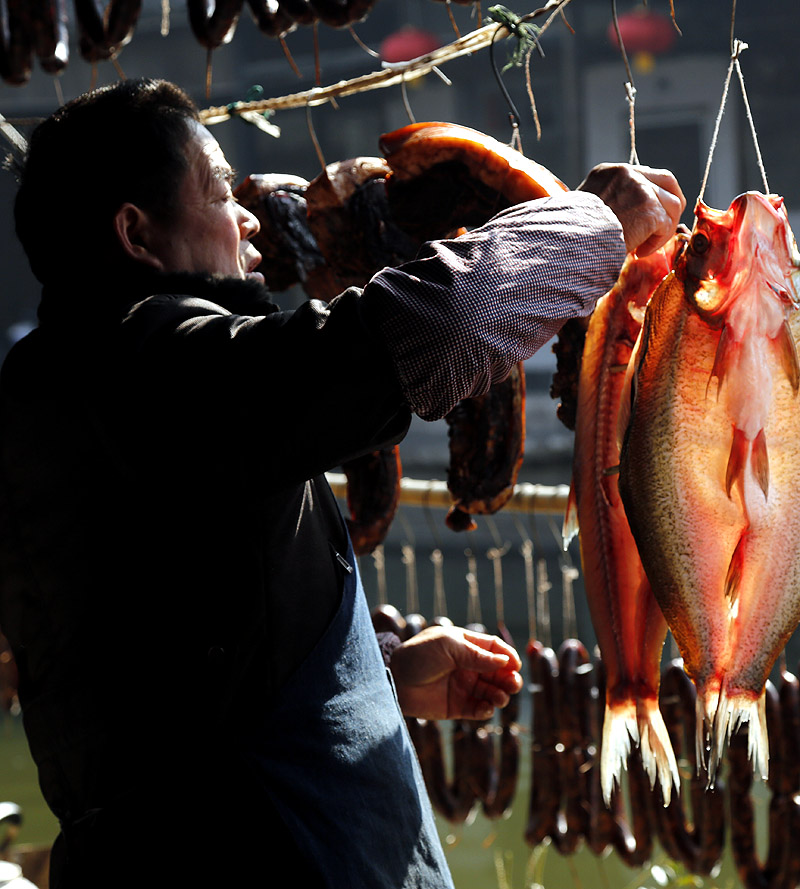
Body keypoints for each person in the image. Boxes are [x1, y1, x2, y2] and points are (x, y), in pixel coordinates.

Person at [0, 79, 684, 888]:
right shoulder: (145, 370)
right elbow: (428, 332)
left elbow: (168, 663)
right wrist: (590, 222)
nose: (250, 215)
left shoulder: (78, 389)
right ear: (135, 233)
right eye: (220, 191)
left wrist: (383, 671)